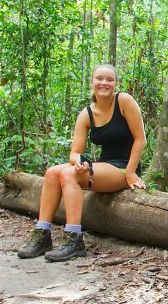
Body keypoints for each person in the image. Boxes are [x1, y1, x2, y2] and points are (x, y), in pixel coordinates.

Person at [18, 64, 147, 262]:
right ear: (92, 82)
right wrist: (80, 163)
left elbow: (140, 139)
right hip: (103, 165)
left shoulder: (124, 101)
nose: (104, 83)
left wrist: (130, 172)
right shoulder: (86, 114)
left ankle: (74, 239)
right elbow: (75, 153)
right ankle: (42, 234)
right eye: (99, 79)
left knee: (68, 175)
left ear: (115, 83)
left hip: (123, 167)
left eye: (109, 79)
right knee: (52, 172)